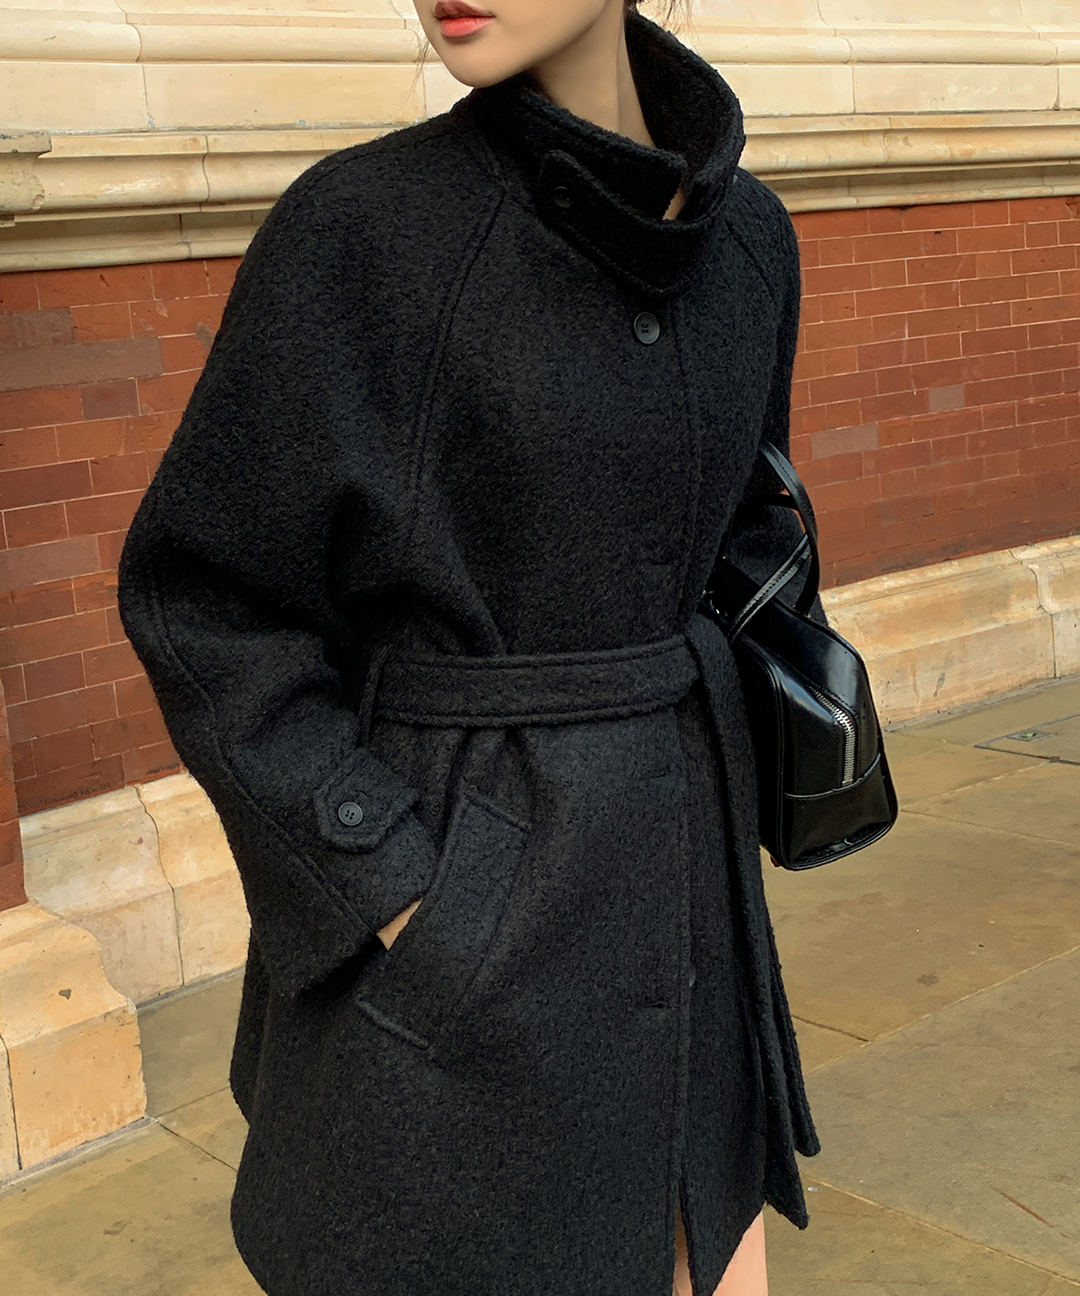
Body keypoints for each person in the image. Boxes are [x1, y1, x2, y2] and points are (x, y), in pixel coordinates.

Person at [117, 1, 823, 1293]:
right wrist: (393, 883)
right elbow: (207, 597)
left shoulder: (752, 244)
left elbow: (744, 527)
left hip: (687, 904)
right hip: (457, 921)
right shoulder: (363, 229)